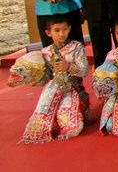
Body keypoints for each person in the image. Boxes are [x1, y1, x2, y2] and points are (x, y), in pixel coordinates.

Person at [17, 14, 89, 143]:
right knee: (41, 115)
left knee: (70, 126)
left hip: (73, 89)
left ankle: (77, 112)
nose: (61, 34)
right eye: (57, 30)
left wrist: (69, 67)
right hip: (52, 90)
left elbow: (84, 71)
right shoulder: (45, 52)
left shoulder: (77, 47)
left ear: (69, 29)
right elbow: (46, 77)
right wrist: (28, 79)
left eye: (65, 29)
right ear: (48, 33)